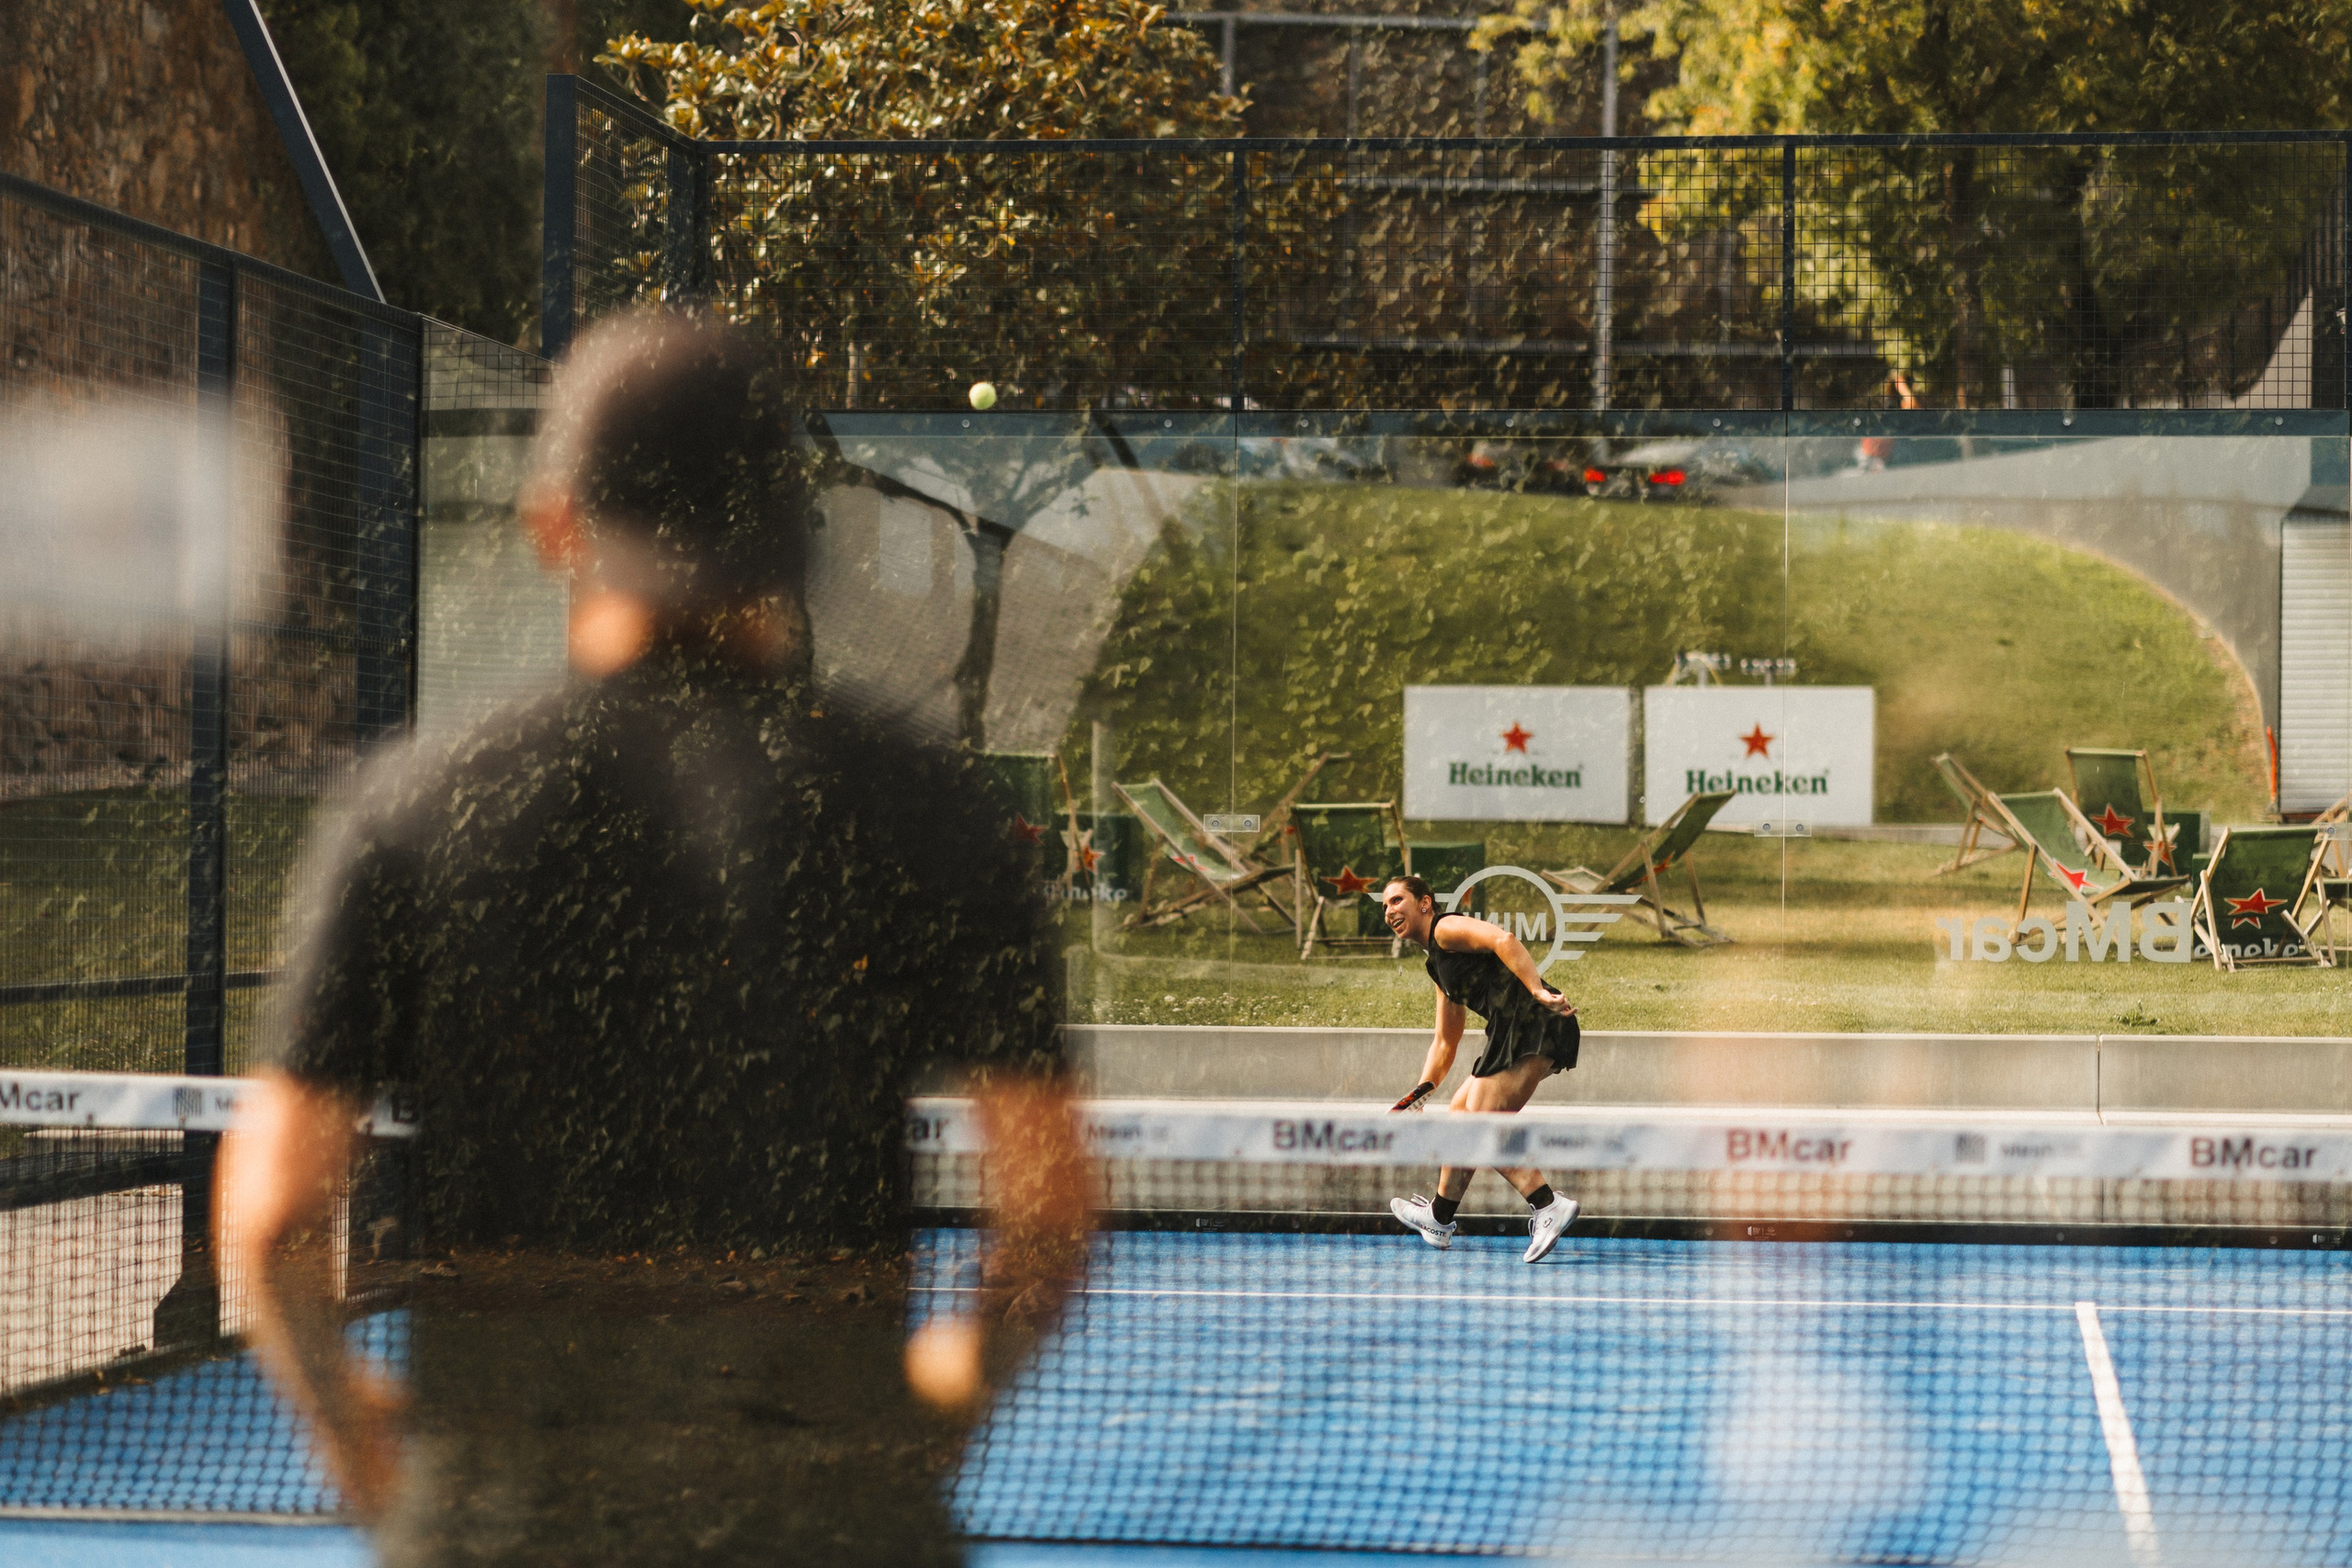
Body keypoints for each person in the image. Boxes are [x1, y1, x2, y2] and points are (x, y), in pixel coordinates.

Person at [219, 308, 1089, 1567]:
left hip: (503, 1527)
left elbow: (275, 1207)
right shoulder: (925, 808)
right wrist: (939, 1405)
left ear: (555, 524)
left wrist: (368, 1451)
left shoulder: (416, 812)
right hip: (839, 1528)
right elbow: (1051, 1205)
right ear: (793, 537)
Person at [1376, 874, 1581, 1263]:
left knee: (1479, 1120)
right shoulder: (1438, 966)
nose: (1389, 911)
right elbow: (1445, 1041)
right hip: (1510, 1030)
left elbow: (1503, 940)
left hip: (1533, 1021)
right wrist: (1420, 1091)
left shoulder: (1446, 928)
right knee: (1460, 1111)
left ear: (1425, 903)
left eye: (1397, 901)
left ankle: (1547, 1204)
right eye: (1385, 905)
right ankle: (1439, 1218)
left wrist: (1538, 989)